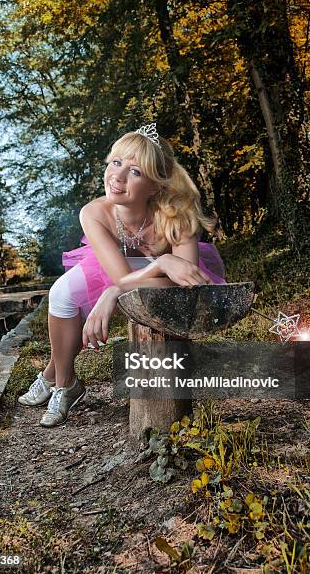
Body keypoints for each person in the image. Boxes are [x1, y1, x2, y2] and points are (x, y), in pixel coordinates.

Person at [18, 123, 227, 427]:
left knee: (121, 294)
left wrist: (118, 290)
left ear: (155, 186)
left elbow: (187, 280)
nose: (117, 176)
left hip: (165, 278)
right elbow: (118, 275)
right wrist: (160, 263)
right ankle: (65, 384)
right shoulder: (93, 212)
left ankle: (51, 375)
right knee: (61, 294)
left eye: (136, 171)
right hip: (120, 266)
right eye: (116, 163)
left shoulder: (178, 214)